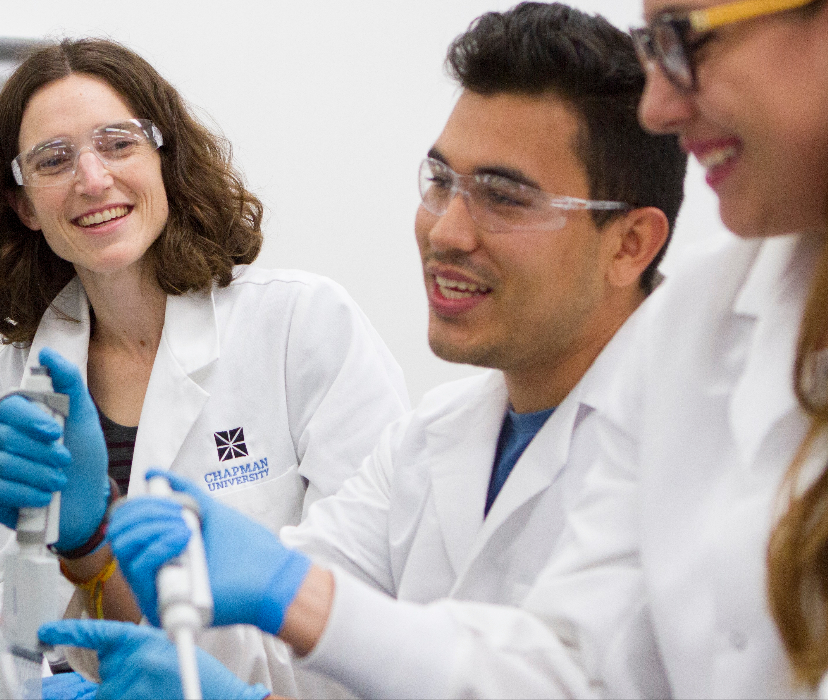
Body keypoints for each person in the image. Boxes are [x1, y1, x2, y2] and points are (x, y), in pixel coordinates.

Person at [63, 0, 828, 697]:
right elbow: (567, 665)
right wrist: (119, 556)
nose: (661, 103)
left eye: (684, 40)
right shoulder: (696, 324)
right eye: (439, 181)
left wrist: (286, 601)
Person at [49, 4, 687, 697]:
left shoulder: (692, 448)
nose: (446, 232)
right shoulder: (432, 441)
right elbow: (274, 652)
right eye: (440, 182)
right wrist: (90, 546)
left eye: (502, 197)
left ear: (630, 244)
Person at [0, 37, 409, 695]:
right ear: (24, 205)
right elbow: (34, 619)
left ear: (166, 159)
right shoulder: (19, 387)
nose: (92, 179)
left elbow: (372, 609)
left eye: (118, 143)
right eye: (53, 159)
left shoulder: (303, 327)